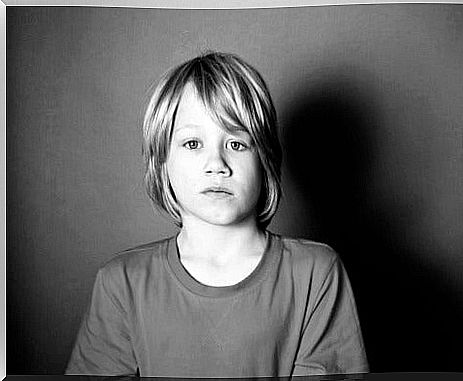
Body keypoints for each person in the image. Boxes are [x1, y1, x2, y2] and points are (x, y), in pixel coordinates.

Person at [65, 51, 369, 378]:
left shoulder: (315, 274)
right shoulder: (122, 282)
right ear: (162, 161)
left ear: (264, 160)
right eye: (193, 143)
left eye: (237, 144)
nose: (217, 165)